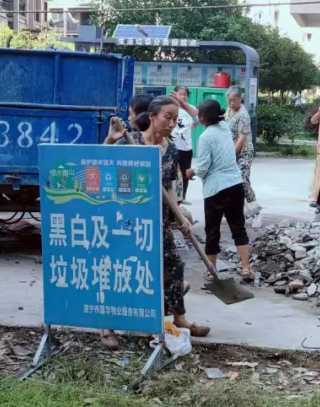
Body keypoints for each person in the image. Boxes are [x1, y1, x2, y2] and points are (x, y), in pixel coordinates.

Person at [99, 94, 207, 349]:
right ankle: (107, 326)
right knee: (122, 269)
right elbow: (100, 162)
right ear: (152, 117)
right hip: (128, 220)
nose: (171, 123)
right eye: (167, 117)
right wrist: (110, 140)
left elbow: (169, 185)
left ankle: (179, 318)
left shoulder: (171, 149)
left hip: (158, 220)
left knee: (174, 265)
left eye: (175, 119)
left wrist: (179, 216)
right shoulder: (132, 142)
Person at [185, 99, 252, 281]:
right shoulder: (225, 128)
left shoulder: (205, 137)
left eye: (199, 114)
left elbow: (203, 166)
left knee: (213, 230)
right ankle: (246, 268)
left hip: (216, 189)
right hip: (235, 184)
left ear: (202, 117)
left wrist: (192, 172)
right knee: (238, 227)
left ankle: (211, 269)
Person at [225, 86, 262, 227]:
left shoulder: (243, 115)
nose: (231, 103)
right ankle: (236, 212)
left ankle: (256, 213)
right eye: (229, 100)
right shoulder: (229, 111)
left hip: (243, 152)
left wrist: (231, 157)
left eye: (234, 100)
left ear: (240, 99)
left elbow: (241, 140)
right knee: (229, 182)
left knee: (243, 181)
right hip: (230, 151)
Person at [171, 85, 197, 201]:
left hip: (186, 147)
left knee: (185, 173)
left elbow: (198, 120)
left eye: (185, 95)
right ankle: (174, 197)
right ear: (174, 94)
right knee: (173, 173)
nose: (182, 97)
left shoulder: (191, 109)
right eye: (180, 94)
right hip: (173, 147)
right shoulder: (171, 108)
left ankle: (183, 196)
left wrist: (193, 125)